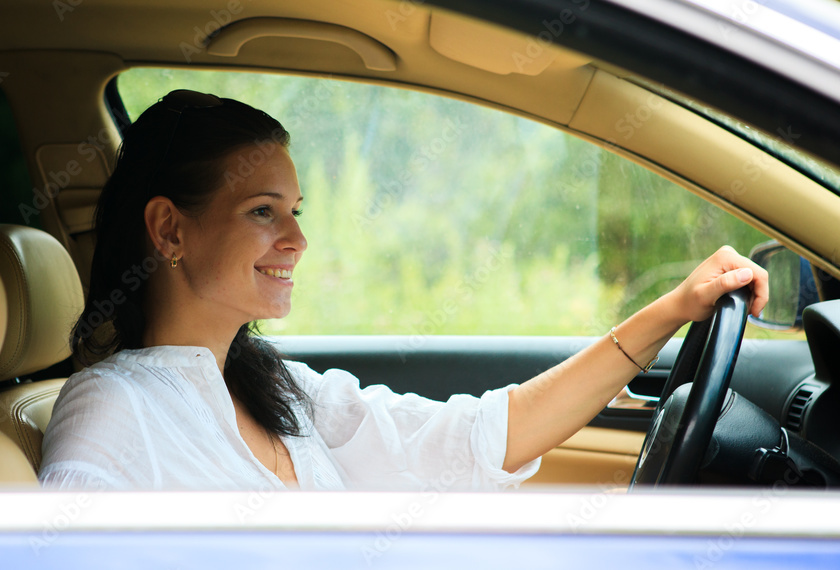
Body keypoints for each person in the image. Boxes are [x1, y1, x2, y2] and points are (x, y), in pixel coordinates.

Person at [38, 90, 769, 491]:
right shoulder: (111, 410)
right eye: (262, 211)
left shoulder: (279, 390)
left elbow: (475, 438)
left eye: (296, 212)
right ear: (169, 230)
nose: (296, 241)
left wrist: (671, 312)